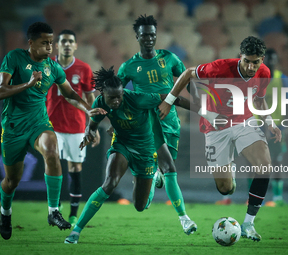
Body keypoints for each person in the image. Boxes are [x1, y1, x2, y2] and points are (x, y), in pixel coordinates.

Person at [159, 36, 282, 242]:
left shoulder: (264, 73)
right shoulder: (220, 68)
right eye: (247, 61)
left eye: (256, 62)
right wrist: (170, 101)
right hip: (215, 126)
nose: (251, 67)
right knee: (225, 188)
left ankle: (248, 224)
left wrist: (270, 122)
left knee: (265, 166)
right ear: (240, 57)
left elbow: (259, 99)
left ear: (261, 60)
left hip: (245, 122)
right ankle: (230, 170)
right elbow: (189, 73)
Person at [64, 66, 197, 244]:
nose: (118, 101)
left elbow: (176, 99)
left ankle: (153, 177)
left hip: (147, 151)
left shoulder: (139, 98)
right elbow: (93, 123)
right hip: (122, 146)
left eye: (120, 95)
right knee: (109, 183)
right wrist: (89, 131)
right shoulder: (99, 103)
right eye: (113, 98)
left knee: (140, 206)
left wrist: (203, 111)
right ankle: (76, 231)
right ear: (102, 94)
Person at [0, 22, 106, 240]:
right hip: (12, 126)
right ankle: (5, 213)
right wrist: (28, 85)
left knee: (51, 150)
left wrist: (89, 110)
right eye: (45, 43)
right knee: (12, 182)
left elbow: (69, 94)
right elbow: (1, 90)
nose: (50, 47)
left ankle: (53, 212)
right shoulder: (14, 58)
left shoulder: (52, 67)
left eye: (51, 42)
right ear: (31, 43)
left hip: (39, 123)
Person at [117, 15, 197, 234]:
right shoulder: (129, 67)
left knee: (165, 169)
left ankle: (150, 182)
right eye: (145, 35)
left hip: (170, 122)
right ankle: (184, 219)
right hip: (146, 124)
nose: (149, 38)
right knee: (170, 169)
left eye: (152, 34)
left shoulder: (169, 58)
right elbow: (114, 94)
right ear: (137, 37)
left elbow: (186, 80)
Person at [46, 29, 113, 226]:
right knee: (53, 167)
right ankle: (54, 211)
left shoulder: (84, 69)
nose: (67, 44)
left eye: (71, 41)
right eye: (64, 41)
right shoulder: (47, 65)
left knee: (75, 168)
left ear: (75, 46)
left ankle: (74, 215)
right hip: (51, 125)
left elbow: (90, 98)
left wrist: (93, 127)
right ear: (57, 45)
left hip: (76, 126)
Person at [260, 49, 288, 207]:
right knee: (255, 161)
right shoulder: (257, 79)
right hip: (257, 126)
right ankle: (254, 196)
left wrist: (286, 126)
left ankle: (278, 197)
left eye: (274, 60)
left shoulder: (282, 79)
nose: (271, 62)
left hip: (277, 126)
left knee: (277, 161)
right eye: (268, 60)